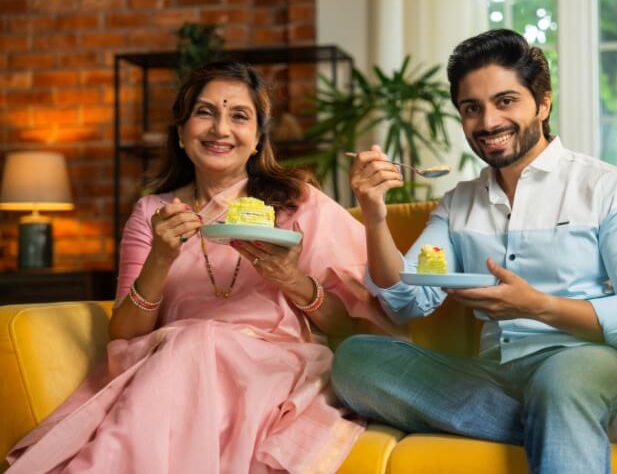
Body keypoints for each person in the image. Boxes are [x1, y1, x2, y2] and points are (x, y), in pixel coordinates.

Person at [6, 61, 398, 473]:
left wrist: (292, 280)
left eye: (239, 116)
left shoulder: (297, 204)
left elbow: (348, 327)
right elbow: (123, 334)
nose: (220, 129)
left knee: (199, 340)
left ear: (257, 140)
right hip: (170, 368)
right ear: (180, 132)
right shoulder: (153, 212)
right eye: (205, 112)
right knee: (193, 340)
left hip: (272, 368)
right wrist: (161, 256)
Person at [332, 29, 617, 474]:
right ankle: (596, 420)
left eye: (506, 101)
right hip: (496, 375)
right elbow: (404, 301)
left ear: (543, 103)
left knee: (562, 381)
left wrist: (539, 307)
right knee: (356, 360)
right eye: (471, 108)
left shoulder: (607, 188)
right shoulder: (458, 204)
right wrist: (374, 216)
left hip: (591, 361)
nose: (488, 122)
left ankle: (579, 407)